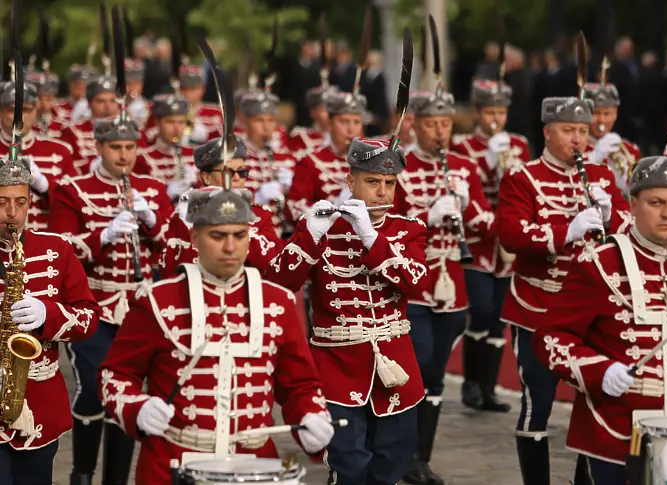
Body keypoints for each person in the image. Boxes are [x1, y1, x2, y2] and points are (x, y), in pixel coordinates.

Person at [98, 188, 334, 484]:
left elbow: (300, 385)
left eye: (239, 235)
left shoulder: (278, 302)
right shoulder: (158, 300)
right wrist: (137, 407)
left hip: (257, 468)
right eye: (218, 236)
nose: (230, 248)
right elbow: (115, 374)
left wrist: (311, 416)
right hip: (172, 463)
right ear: (195, 238)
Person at [532, 154, 667, 484]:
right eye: (656, 202)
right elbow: (550, 337)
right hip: (615, 430)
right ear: (633, 204)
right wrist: (600, 370)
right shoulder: (599, 262)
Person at [268, 138, 430, 485]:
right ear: (350, 181)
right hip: (338, 368)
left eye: (390, 183)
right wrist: (308, 235)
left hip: (395, 367)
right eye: (372, 182)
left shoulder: (408, 230)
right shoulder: (323, 228)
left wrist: (372, 238)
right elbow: (278, 284)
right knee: (349, 467)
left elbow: (416, 282)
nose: (383, 192)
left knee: (391, 463)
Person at [495, 96, 631, 485]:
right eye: (569, 131)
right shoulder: (523, 177)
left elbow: (626, 229)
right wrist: (564, 232)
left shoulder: (602, 177)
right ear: (547, 132)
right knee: (537, 403)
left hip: (591, 309)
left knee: (596, 399)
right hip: (538, 304)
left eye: (583, 132)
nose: (578, 140)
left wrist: (613, 216)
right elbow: (510, 233)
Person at [49, 107, 173, 485]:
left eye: (130, 147)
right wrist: (103, 234)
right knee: (93, 388)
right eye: (115, 147)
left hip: (138, 308)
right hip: (94, 304)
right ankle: (83, 473)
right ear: (98, 146)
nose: (124, 155)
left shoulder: (152, 188)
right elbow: (61, 249)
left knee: (129, 393)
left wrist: (154, 224)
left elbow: (175, 246)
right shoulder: (74, 189)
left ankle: (116, 480)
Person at [395, 89, 494, 485]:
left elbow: (487, 223)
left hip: (451, 282)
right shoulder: (398, 165)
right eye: (432, 124)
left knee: (435, 370)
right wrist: (426, 215)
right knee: (415, 362)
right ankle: (399, 451)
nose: (440, 131)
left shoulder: (464, 167)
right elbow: (390, 224)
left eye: (446, 124)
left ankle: (420, 456)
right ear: (415, 124)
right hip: (414, 280)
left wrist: (468, 208)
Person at [0, 124, 99, 485]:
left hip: (41, 403)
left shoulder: (56, 249)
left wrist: (48, 314)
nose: (13, 212)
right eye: (2, 201)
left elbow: (88, 318)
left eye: (21, 201)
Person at [451, 79, 531, 413]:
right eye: (489, 111)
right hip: (478, 240)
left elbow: (526, 183)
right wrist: (487, 162)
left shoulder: (518, 143)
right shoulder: (463, 146)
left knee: (500, 316)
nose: (496, 117)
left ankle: (489, 388)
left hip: (507, 243)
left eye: (501, 111)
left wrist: (510, 167)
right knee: (481, 308)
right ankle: (470, 383)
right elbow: (464, 184)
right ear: (477, 113)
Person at [157, 135, 281, 278]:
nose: (236, 178)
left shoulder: (260, 215)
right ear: (206, 177)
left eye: (242, 172)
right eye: (227, 172)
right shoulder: (185, 215)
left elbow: (273, 264)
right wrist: (188, 225)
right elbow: (168, 270)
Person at [0, 81, 75, 232]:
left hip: (44, 244)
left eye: (26, 109)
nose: (19, 116)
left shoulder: (60, 151)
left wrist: (46, 186)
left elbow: (74, 203)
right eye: (12, 109)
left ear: (36, 111)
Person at [286, 90, 365, 223]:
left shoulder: (371, 160)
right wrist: (331, 210)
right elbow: (294, 209)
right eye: (344, 122)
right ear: (330, 122)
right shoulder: (310, 161)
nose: (351, 130)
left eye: (356, 122)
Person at [238, 90, 296, 236]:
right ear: (246, 122)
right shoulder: (235, 159)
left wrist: (291, 191)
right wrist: (257, 198)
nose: (266, 127)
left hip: (280, 235)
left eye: (270, 121)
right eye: (259, 120)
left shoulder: (287, 158)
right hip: (248, 234)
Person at [582, 82, 641, 196]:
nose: (601, 120)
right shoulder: (573, 149)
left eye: (607, 113)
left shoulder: (630, 150)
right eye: (596, 113)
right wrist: (592, 159)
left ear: (615, 115)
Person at [135, 94, 196, 201]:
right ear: (157, 122)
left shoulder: (195, 154)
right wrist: (167, 194)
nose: (177, 129)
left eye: (181, 122)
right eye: (170, 122)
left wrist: (197, 184)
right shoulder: (143, 157)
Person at [60, 75, 120, 174]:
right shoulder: (72, 131)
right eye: (101, 101)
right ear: (89, 103)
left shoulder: (131, 131)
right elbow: (68, 167)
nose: (108, 107)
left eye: (113, 101)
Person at [177, 62, 222, 145]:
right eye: (185, 88)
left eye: (193, 88)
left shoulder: (216, 112)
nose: (188, 93)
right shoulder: (171, 112)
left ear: (203, 89)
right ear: (179, 89)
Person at [288, 85, 334, 157]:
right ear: (312, 112)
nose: (329, 115)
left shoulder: (346, 139)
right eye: (324, 110)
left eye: (333, 109)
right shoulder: (301, 137)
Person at [25, 70, 65, 140]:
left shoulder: (63, 128)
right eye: (38, 98)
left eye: (48, 99)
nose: (43, 103)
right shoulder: (21, 126)